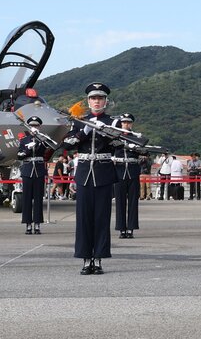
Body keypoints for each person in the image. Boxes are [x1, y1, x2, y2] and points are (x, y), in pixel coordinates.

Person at [62, 82, 119, 275]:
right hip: (85, 172)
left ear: (106, 101)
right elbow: (68, 144)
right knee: (84, 218)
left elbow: (121, 145)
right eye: (93, 98)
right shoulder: (79, 121)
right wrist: (84, 132)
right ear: (88, 101)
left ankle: (99, 258)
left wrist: (108, 133)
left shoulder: (113, 121)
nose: (97, 101)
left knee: (102, 218)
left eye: (100, 98)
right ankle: (86, 258)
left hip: (103, 172)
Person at [113, 113, 145, 239]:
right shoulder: (115, 137)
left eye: (128, 122)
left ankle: (131, 228)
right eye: (124, 122)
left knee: (133, 201)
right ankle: (121, 228)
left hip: (132, 170)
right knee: (120, 201)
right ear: (121, 123)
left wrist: (139, 150)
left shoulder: (137, 137)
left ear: (132, 124)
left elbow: (144, 152)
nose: (126, 124)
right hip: (119, 170)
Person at [18, 115, 51, 235]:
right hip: (27, 170)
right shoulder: (24, 140)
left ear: (39, 126)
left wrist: (39, 141)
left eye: (36, 125)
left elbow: (49, 149)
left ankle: (37, 223)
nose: (34, 127)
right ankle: (27, 224)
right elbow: (19, 155)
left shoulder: (43, 139)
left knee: (38, 198)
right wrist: (27, 150)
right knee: (26, 198)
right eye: (32, 125)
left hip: (39, 169)